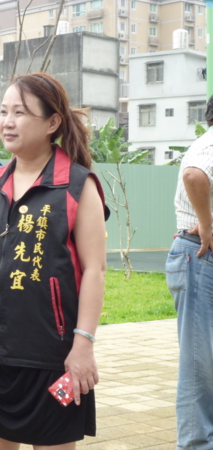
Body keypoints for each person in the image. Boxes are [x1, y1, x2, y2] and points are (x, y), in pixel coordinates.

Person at [0, 72, 107, 450]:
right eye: (3, 111)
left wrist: (82, 345)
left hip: (54, 359)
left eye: (19, 112)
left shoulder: (78, 186)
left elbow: (95, 271)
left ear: (52, 123)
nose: (7, 121)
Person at [166, 95, 213, 450]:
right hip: (199, 255)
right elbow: (194, 175)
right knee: (199, 364)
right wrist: (206, 223)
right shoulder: (210, 144)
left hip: (199, 255)